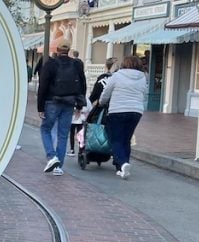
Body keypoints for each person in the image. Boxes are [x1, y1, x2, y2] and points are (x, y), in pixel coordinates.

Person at [36, 40, 86, 175]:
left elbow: (43, 86)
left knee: (45, 129)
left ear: (57, 49)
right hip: (69, 102)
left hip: (52, 101)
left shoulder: (50, 64)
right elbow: (82, 84)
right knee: (63, 134)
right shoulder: (76, 64)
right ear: (68, 50)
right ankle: (58, 167)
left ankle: (52, 157)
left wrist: (40, 107)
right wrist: (80, 105)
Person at [95, 53, 148, 180]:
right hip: (136, 111)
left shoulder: (117, 76)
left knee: (115, 139)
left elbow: (106, 92)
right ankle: (122, 168)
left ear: (124, 64)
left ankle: (123, 163)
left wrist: (101, 103)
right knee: (126, 139)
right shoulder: (143, 77)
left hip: (117, 110)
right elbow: (144, 94)